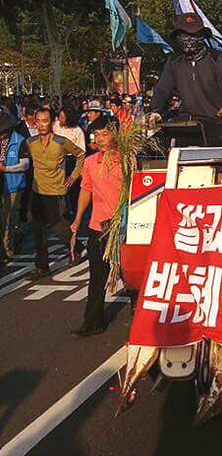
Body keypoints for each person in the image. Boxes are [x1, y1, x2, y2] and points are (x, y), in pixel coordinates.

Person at [149, 12, 222, 146]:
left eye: (194, 35)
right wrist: (156, 111)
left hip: (216, 122)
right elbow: (163, 88)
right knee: (156, 147)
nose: (189, 40)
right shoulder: (174, 62)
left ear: (202, 36)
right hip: (187, 123)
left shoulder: (218, 58)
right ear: (178, 37)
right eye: (184, 35)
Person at [71, 117, 122, 337]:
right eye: (96, 135)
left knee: (129, 276)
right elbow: (86, 191)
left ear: (116, 135)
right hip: (98, 226)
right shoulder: (91, 162)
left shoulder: (128, 160)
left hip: (123, 228)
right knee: (97, 277)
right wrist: (77, 219)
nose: (99, 139)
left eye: (104, 134)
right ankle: (93, 321)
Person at [26, 108, 85, 278]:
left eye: (46, 120)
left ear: (51, 123)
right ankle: (42, 266)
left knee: (59, 229)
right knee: (39, 231)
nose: (42, 124)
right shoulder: (30, 143)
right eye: (39, 121)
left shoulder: (61, 141)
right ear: (35, 122)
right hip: (37, 192)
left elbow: (80, 154)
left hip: (57, 192)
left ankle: (77, 247)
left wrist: (73, 176)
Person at [0, 111, 29, 260]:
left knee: (10, 218)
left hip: (14, 185)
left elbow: (25, 165)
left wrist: (6, 169)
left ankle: (8, 248)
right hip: (1, 185)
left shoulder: (20, 141)